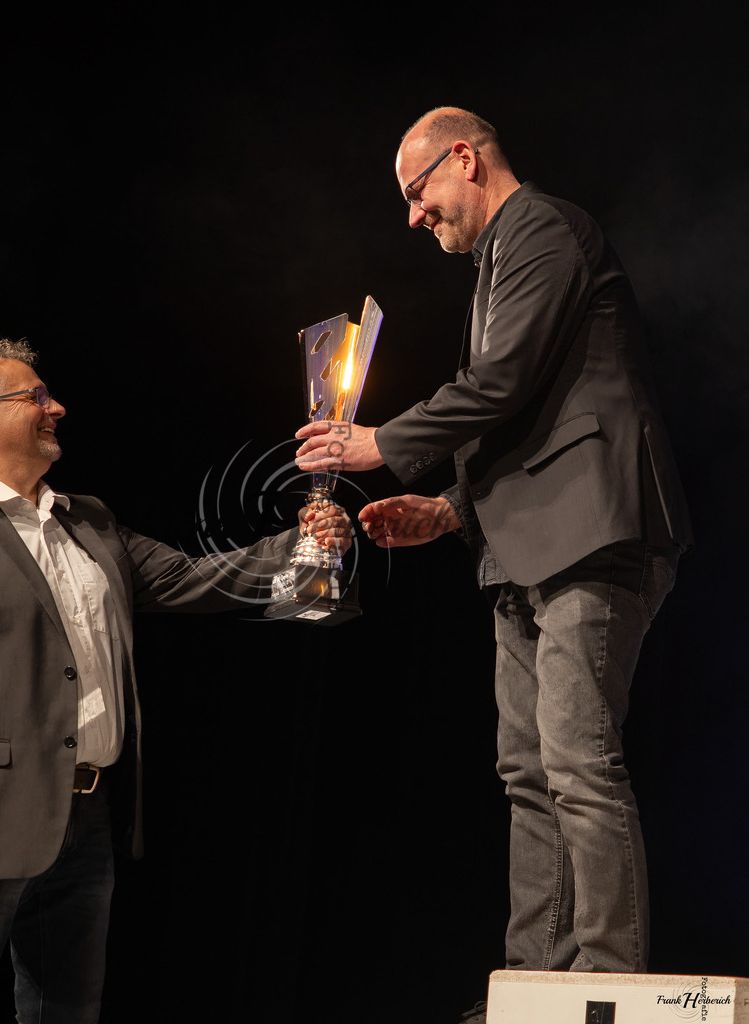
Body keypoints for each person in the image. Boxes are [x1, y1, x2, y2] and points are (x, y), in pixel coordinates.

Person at [294, 107, 691, 1022]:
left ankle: (601, 986)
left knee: (579, 762)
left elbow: (500, 385)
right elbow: (524, 416)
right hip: (525, 548)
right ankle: (535, 985)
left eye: (417, 191)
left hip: (592, 534)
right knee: (528, 772)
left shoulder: (544, 229)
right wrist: (445, 511)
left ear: (463, 159)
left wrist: (378, 445)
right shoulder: (500, 262)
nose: (414, 216)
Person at [0, 338, 351, 1024]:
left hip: (86, 818)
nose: (55, 406)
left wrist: (301, 545)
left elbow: (193, 579)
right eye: (34, 397)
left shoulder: (88, 520)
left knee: (67, 1012)